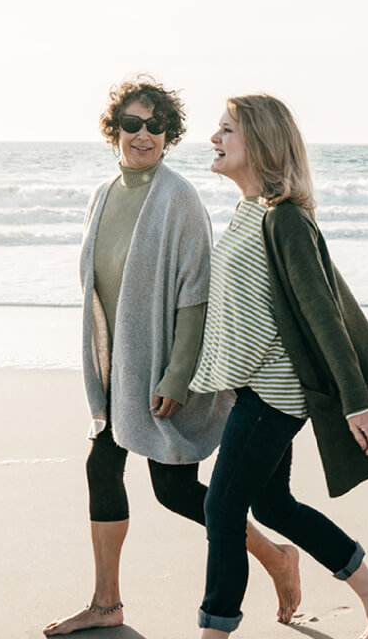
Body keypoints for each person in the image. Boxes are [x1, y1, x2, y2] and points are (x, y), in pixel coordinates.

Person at [48, 76, 301, 637]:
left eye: (156, 125)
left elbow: (196, 297)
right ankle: (106, 603)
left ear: (169, 134)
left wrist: (178, 376)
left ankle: (275, 556)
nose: (144, 134)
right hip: (116, 367)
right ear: (114, 130)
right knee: (101, 465)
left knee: (175, 490)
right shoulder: (102, 196)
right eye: (132, 123)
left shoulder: (178, 198)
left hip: (163, 370)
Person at [191, 93, 368, 639]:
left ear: (261, 143)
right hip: (254, 391)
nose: (214, 138)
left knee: (222, 509)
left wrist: (358, 401)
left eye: (227, 130)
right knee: (272, 505)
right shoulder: (249, 212)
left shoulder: (287, 219)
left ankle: (213, 630)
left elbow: (325, 316)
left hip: (275, 395)